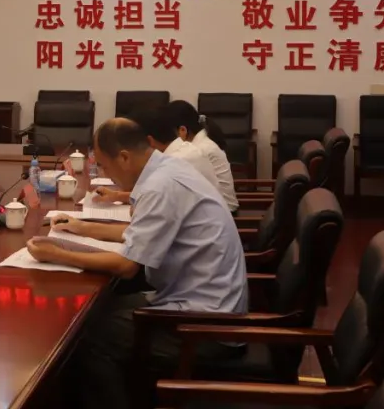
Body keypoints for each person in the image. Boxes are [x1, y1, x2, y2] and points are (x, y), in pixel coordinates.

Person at [26, 118, 247, 409]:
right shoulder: (168, 169)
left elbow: (126, 265)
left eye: (104, 166)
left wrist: (58, 254)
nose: (106, 174)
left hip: (206, 327)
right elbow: (141, 233)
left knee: (86, 339)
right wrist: (80, 227)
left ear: (124, 157)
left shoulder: (160, 186)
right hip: (201, 303)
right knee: (98, 311)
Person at [94, 103, 221, 204]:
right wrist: (118, 195)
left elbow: (150, 199)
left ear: (149, 141)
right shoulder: (178, 153)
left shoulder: (177, 162)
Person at [169, 100, 239, 213]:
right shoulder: (202, 140)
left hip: (223, 212)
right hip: (217, 207)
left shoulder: (199, 149)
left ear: (182, 130)